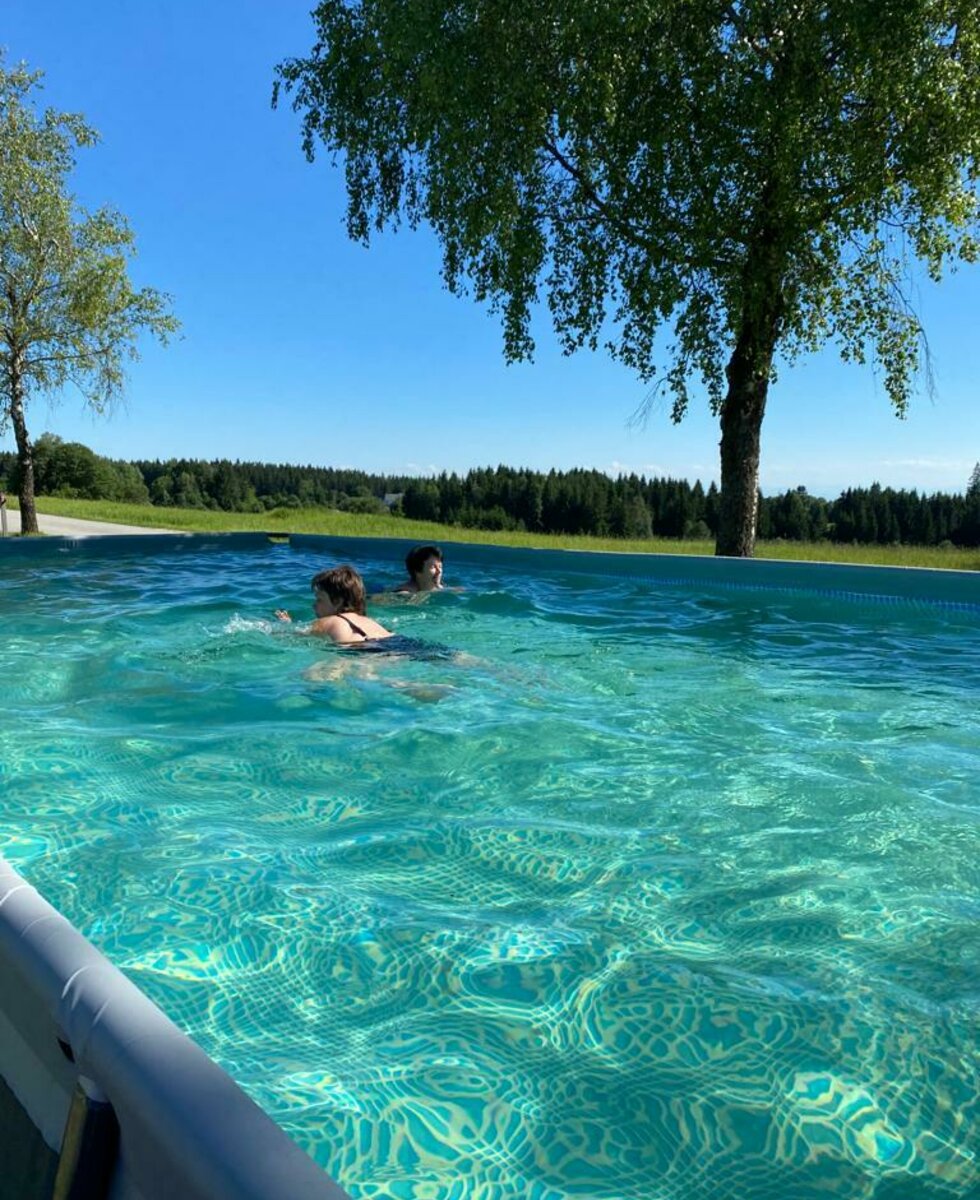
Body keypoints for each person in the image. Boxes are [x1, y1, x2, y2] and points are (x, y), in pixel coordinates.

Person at [276, 565, 393, 645]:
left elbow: (290, 637)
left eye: (319, 599)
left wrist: (286, 625)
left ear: (337, 602)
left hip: (362, 650)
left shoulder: (329, 621)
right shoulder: (369, 621)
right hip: (397, 644)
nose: (314, 605)